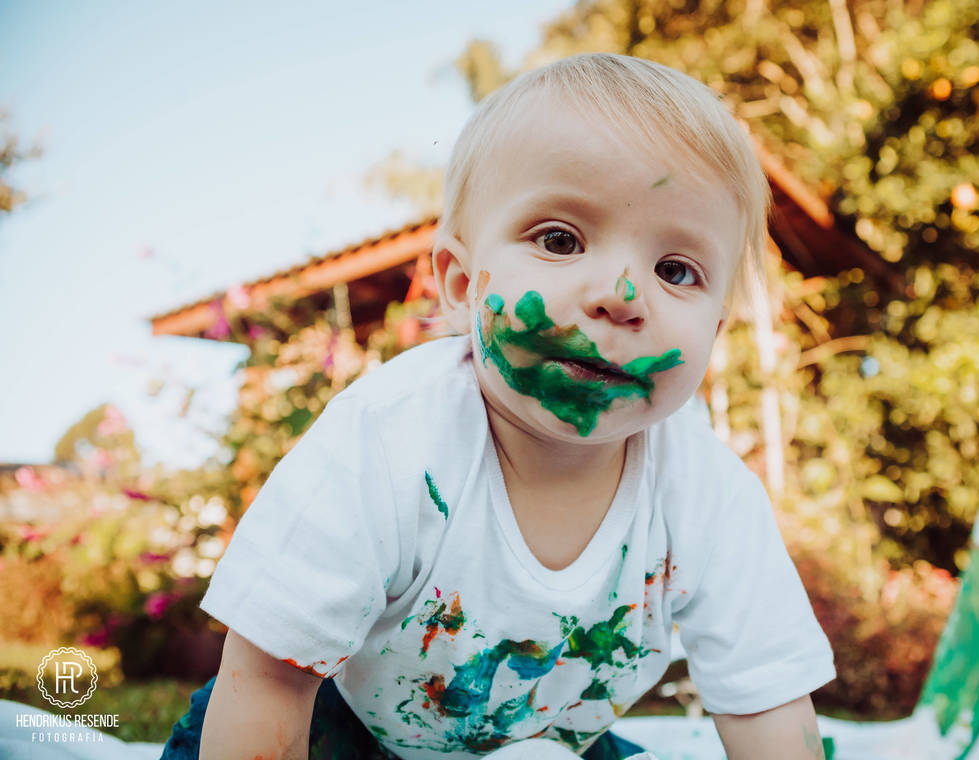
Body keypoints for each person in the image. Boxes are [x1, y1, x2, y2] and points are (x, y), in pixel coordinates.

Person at [163, 52, 835, 760]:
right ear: (457, 284)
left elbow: (770, 710)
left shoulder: (709, 496)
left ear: (714, 333)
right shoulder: (390, 440)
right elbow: (268, 674)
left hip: (545, 745)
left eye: (676, 271)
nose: (621, 294)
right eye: (559, 239)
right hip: (337, 731)